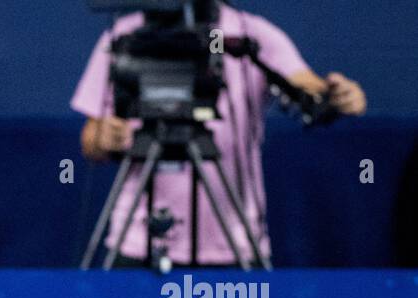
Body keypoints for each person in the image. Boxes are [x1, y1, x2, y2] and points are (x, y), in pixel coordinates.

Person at [73, 0, 366, 267]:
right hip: (139, 243)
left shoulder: (252, 35)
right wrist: (102, 136)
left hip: (234, 246)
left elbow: (307, 87)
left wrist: (336, 96)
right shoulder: (122, 36)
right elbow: (90, 140)